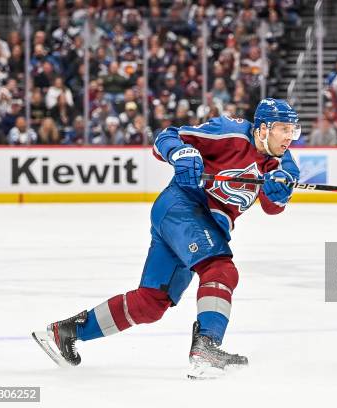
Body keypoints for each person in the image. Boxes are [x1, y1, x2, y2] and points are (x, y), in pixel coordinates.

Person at [32, 98, 301, 379]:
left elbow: (273, 207)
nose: (288, 136)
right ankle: (207, 347)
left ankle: (66, 332)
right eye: (283, 128)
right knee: (220, 269)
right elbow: (167, 137)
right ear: (262, 128)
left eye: (292, 130)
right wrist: (182, 153)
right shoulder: (228, 132)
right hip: (182, 208)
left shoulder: (284, 164)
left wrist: (278, 191)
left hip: (196, 224)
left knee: (151, 303)